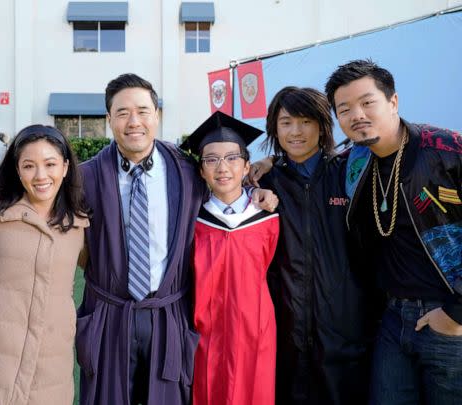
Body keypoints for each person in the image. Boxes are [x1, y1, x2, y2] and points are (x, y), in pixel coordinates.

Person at [76, 73, 278, 405]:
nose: (134, 121)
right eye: (123, 112)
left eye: (143, 110)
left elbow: (225, 187)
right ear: (109, 119)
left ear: (156, 115)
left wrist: (259, 190)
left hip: (168, 314)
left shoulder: (185, 171)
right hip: (109, 314)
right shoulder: (85, 177)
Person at [325, 59, 462, 404]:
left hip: (448, 317)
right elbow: (310, 167)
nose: (357, 114)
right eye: (344, 109)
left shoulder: (446, 150)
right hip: (391, 317)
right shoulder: (355, 162)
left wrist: (456, 314)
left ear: (393, 102)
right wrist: (262, 167)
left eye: (367, 102)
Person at [260, 87, 376, 404]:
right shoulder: (264, 185)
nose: (296, 131)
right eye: (286, 123)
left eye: (306, 121)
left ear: (323, 125)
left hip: (345, 329)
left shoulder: (349, 175)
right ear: (274, 128)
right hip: (285, 331)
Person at [0, 125, 89, 404]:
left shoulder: (79, 225)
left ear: (66, 167)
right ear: (17, 170)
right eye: (29, 166)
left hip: (53, 360)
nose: (41, 176)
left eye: (50, 164)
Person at [182, 111, 280, 405]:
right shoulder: (191, 220)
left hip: (256, 329)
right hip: (204, 332)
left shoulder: (268, 217)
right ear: (201, 170)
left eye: (232, 158)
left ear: (247, 165)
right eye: (211, 159)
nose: (222, 167)